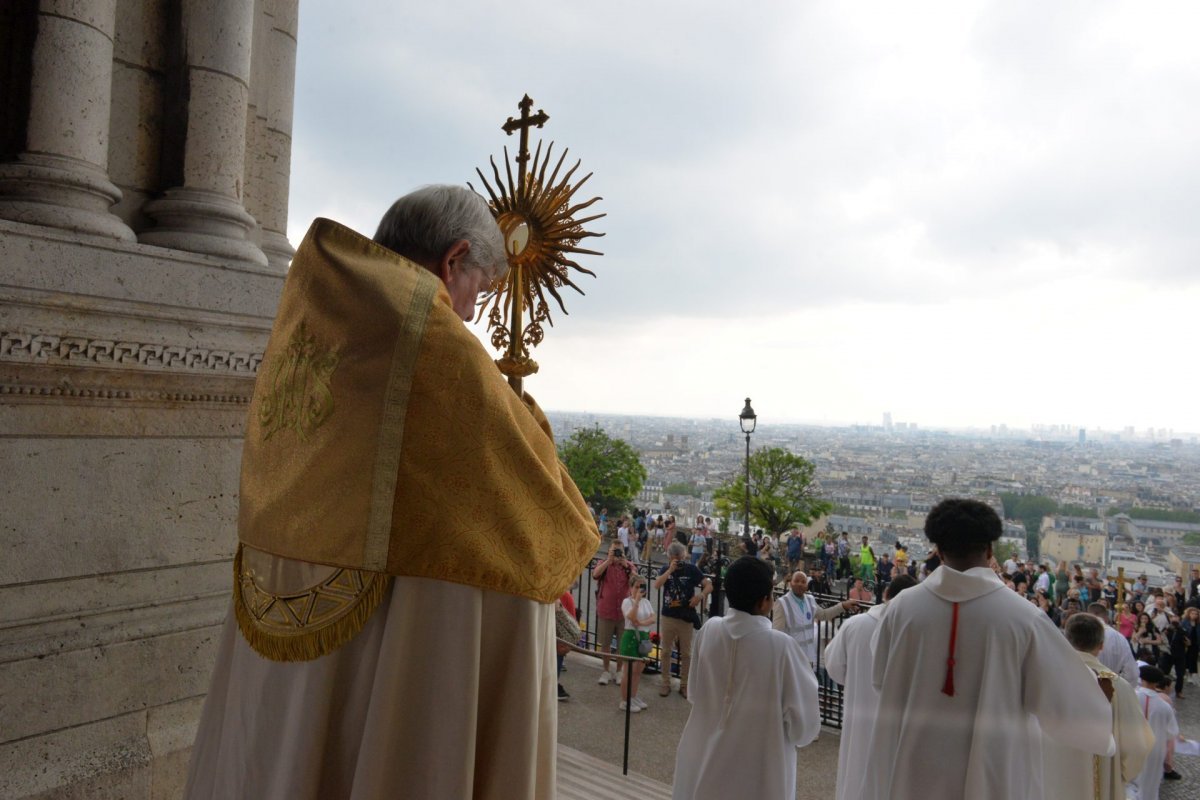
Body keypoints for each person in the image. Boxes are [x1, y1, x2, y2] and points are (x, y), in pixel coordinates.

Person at [184, 186, 598, 799]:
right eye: (477, 293)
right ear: (453, 260)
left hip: (282, 623)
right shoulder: (436, 345)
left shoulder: (327, 320)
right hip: (397, 633)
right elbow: (543, 508)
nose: (466, 315)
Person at [861, 498, 1114, 800]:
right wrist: (1104, 733)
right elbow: (1064, 705)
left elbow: (879, 678)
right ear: (991, 550)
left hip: (911, 766)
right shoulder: (1024, 617)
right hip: (994, 770)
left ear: (938, 551)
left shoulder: (901, 607)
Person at [671, 557, 820, 800]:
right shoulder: (782, 648)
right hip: (760, 774)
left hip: (703, 762)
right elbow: (805, 728)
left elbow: (695, 693)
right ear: (765, 601)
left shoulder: (710, 630)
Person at [1041, 614, 1154, 800]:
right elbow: (1138, 746)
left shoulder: (1044, 679)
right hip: (1101, 781)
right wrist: (1119, 774)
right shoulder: (1120, 687)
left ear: (1065, 639)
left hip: (1049, 778)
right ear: (1101, 645)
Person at [824, 575, 918, 800]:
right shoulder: (914, 633)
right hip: (897, 726)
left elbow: (834, 667)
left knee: (855, 777)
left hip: (858, 717)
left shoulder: (855, 625)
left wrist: (857, 680)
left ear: (885, 594)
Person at [654, 541, 712, 698]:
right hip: (668, 616)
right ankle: (665, 683)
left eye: (679, 557)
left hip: (686, 616)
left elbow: (708, 585)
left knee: (686, 653)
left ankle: (685, 685)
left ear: (684, 556)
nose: (678, 560)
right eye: (674, 558)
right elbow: (656, 585)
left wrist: (700, 596)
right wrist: (670, 571)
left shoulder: (692, 570)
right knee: (665, 651)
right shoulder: (666, 569)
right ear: (670, 557)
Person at [772, 570, 858, 668]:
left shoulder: (810, 600)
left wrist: (843, 606)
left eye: (803, 582)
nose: (800, 584)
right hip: (790, 658)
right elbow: (777, 634)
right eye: (796, 581)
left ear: (807, 585)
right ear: (790, 583)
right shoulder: (782, 603)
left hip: (807, 657)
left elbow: (824, 615)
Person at [1131, 666, 1180, 800]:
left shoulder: (1131, 696)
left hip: (1133, 745)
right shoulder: (1164, 706)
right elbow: (1172, 732)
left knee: (1129, 781)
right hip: (1155, 749)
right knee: (1151, 785)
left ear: (1142, 679)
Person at [593, 541, 633, 685]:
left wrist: (626, 565)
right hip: (606, 609)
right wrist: (608, 561)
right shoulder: (603, 563)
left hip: (624, 613)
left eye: (619, 551)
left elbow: (637, 582)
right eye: (614, 551)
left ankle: (619, 671)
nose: (616, 554)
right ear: (609, 551)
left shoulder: (628, 566)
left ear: (624, 552)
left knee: (622, 644)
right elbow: (595, 574)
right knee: (605, 643)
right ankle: (605, 670)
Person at [618, 574, 655, 712]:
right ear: (631, 588)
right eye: (636, 587)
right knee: (628, 671)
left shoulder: (647, 602)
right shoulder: (627, 602)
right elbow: (631, 617)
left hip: (643, 636)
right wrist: (637, 601)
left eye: (642, 587)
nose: (639, 590)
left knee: (638, 670)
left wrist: (641, 623)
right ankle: (624, 700)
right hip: (631, 636)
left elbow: (652, 618)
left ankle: (632, 696)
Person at [1089, 602, 1139, 686]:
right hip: (1110, 686)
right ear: (1107, 618)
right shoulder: (1119, 638)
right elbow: (1131, 673)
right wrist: (1113, 679)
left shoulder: (1077, 632)